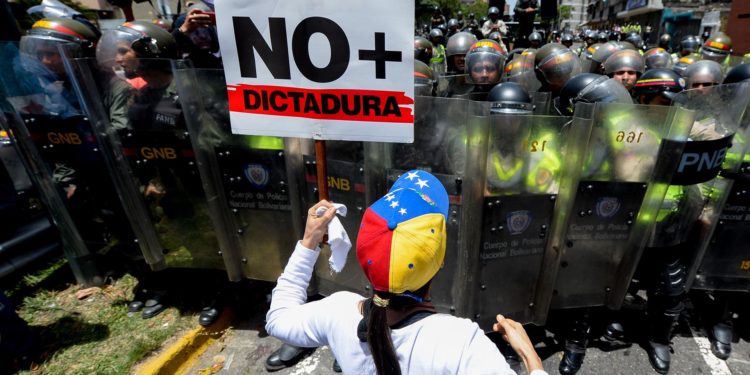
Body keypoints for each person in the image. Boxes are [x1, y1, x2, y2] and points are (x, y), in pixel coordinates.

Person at [266, 171, 548, 375]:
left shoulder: (337, 312)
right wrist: (530, 356)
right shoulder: (459, 342)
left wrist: (309, 242)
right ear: (438, 263)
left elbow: (277, 319)